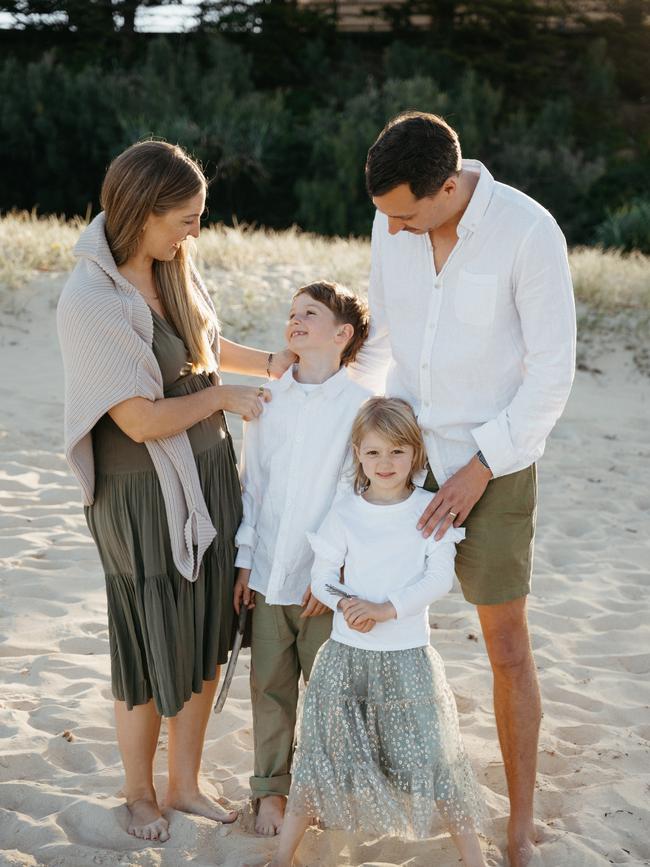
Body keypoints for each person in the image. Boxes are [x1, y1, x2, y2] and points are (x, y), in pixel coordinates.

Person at [350, 111, 576, 867]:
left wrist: (482, 465)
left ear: (450, 187)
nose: (396, 230)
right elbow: (386, 340)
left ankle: (518, 822)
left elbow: (552, 376)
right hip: (405, 453)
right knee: (366, 620)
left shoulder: (528, 232)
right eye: (387, 217)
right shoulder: (394, 225)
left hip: (497, 462)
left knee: (505, 642)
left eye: (407, 214)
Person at [56, 140, 295, 843]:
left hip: (210, 475)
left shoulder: (174, 265)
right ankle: (138, 791)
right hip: (142, 492)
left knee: (205, 632)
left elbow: (205, 347)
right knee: (148, 635)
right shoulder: (92, 298)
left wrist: (280, 364)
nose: (196, 230)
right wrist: (226, 396)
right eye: (185, 217)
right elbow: (139, 417)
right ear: (140, 210)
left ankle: (183, 782)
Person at [268, 397, 488, 867]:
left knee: (434, 760)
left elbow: (438, 579)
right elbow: (322, 576)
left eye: (396, 452)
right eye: (373, 453)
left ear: (416, 455)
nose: (384, 464)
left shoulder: (430, 510)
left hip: (408, 657)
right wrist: (346, 604)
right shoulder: (346, 511)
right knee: (319, 761)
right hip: (347, 656)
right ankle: (283, 855)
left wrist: (385, 609)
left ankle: (475, 859)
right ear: (358, 455)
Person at [232, 280, 372, 836]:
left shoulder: (362, 407)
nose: (295, 321)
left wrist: (330, 572)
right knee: (269, 685)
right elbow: (254, 487)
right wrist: (246, 560)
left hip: (325, 581)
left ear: (343, 335)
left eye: (309, 314)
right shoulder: (270, 400)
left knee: (327, 691)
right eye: (291, 313)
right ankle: (270, 791)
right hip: (268, 573)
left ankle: (321, 788)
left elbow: (353, 493)